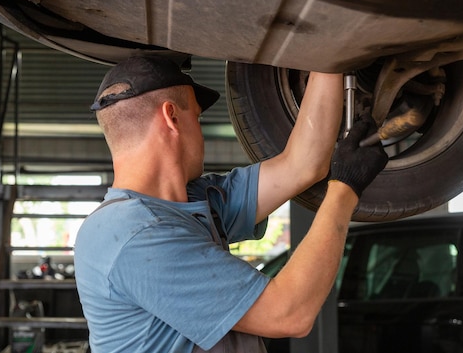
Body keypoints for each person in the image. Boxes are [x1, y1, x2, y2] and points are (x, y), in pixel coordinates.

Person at [74, 55, 388, 353]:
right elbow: (289, 313)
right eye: (196, 117)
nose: (201, 131)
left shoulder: (192, 200)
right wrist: (345, 187)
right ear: (171, 118)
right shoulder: (134, 232)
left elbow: (303, 166)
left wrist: (329, 57)